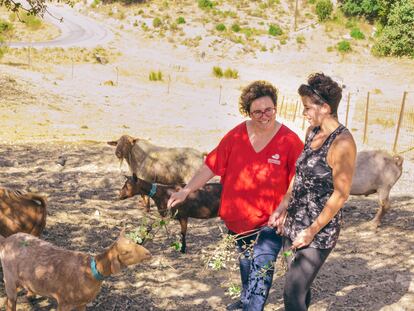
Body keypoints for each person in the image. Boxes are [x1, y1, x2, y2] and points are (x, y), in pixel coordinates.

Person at [168, 80, 304, 311]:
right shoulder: (237, 135)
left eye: (268, 110)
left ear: (275, 108)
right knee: (245, 261)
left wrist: (284, 208)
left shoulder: (289, 141)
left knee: (261, 267)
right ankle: (245, 298)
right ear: (248, 113)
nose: (264, 116)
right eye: (257, 112)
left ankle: (252, 306)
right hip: (238, 219)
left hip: (270, 221)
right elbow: (210, 165)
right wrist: (186, 190)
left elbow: (298, 179)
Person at [268, 73, 357, 311]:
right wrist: (283, 205)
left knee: (292, 292)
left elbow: (340, 194)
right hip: (295, 221)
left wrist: (311, 231)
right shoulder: (312, 132)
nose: (304, 113)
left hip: (319, 231)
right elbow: (300, 174)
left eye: (308, 107)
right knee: (300, 287)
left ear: (325, 107)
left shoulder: (343, 144)